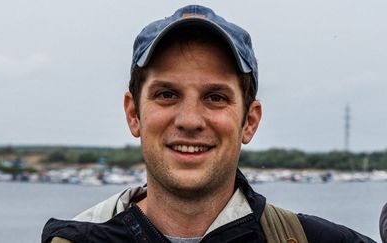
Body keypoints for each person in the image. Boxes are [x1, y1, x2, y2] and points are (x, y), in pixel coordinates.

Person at [42, 5, 375, 243]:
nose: (190, 120)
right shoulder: (79, 237)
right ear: (133, 114)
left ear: (250, 121)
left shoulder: (310, 239)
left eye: (215, 97)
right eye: (167, 94)